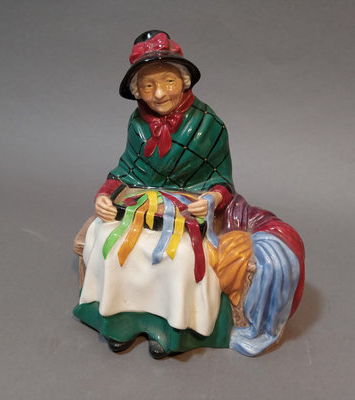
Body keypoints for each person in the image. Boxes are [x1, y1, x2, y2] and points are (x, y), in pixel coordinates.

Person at [74, 30, 304, 358]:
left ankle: (171, 332)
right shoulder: (137, 124)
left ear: (183, 82)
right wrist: (104, 196)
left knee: (181, 257)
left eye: (168, 81)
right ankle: (119, 322)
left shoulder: (209, 125)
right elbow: (126, 169)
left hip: (191, 214)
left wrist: (210, 199)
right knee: (106, 239)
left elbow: (221, 181)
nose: (159, 93)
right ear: (137, 91)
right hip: (143, 207)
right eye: (148, 86)